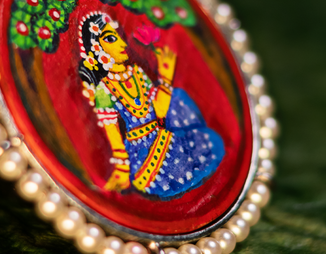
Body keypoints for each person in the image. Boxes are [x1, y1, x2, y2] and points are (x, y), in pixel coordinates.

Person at [78, 11, 225, 200]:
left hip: (164, 137)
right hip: (143, 157)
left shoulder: (137, 73)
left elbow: (160, 111)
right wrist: (122, 168)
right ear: (96, 48)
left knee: (209, 140)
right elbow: (112, 132)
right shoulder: (103, 90)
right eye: (111, 39)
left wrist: (165, 78)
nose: (123, 44)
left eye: (119, 37)